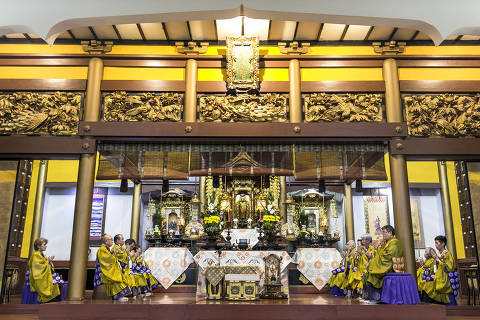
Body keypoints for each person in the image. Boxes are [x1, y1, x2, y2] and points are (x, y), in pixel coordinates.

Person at [365, 225, 403, 301]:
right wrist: (376, 249)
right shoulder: (386, 243)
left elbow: (387, 258)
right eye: (382, 232)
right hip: (384, 266)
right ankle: (374, 297)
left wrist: (373, 261)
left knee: (373, 275)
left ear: (390, 233)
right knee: (368, 274)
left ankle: (376, 297)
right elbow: (380, 254)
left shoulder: (394, 243)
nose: (383, 235)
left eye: (384, 232)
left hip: (391, 268)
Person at [94, 234, 129, 301]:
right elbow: (106, 261)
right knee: (116, 276)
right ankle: (118, 296)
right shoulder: (102, 249)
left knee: (119, 273)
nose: (112, 241)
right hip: (103, 272)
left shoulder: (107, 249)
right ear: (106, 241)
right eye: (111, 240)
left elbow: (110, 258)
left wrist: (113, 253)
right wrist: (114, 253)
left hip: (107, 270)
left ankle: (119, 295)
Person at [27, 238, 62, 303]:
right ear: (38, 246)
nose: (46, 246)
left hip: (47, 279)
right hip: (41, 280)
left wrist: (48, 261)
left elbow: (45, 265)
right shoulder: (36, 255)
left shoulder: (41, 255)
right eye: (44, 244)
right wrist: (48, 261)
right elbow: (38, 268)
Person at [430, 235, 459, 305]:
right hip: (441, 278)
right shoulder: (439, 254)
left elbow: (449, 267)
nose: (435, 245)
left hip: (447, 279)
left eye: (437, 243)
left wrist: (437, 260)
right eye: (435, 243)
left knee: (449, 297)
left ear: (443, 244)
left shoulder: (447, 254)